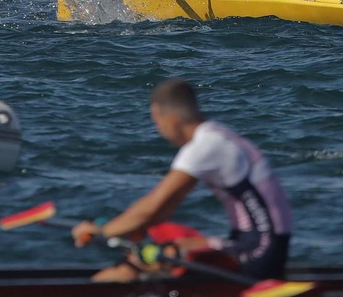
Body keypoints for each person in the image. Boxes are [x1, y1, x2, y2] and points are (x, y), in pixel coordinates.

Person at [72, 79, 292, 283]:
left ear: (169, 117)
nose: (159, 131)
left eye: (157, 122)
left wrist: (103, 232)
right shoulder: (217, 134)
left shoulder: (204, 147)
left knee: (151, 259)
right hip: (260, 243)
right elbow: (163, 212)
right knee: (167, 247)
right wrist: (125, 230)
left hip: (258, 251)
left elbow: (150, 208)